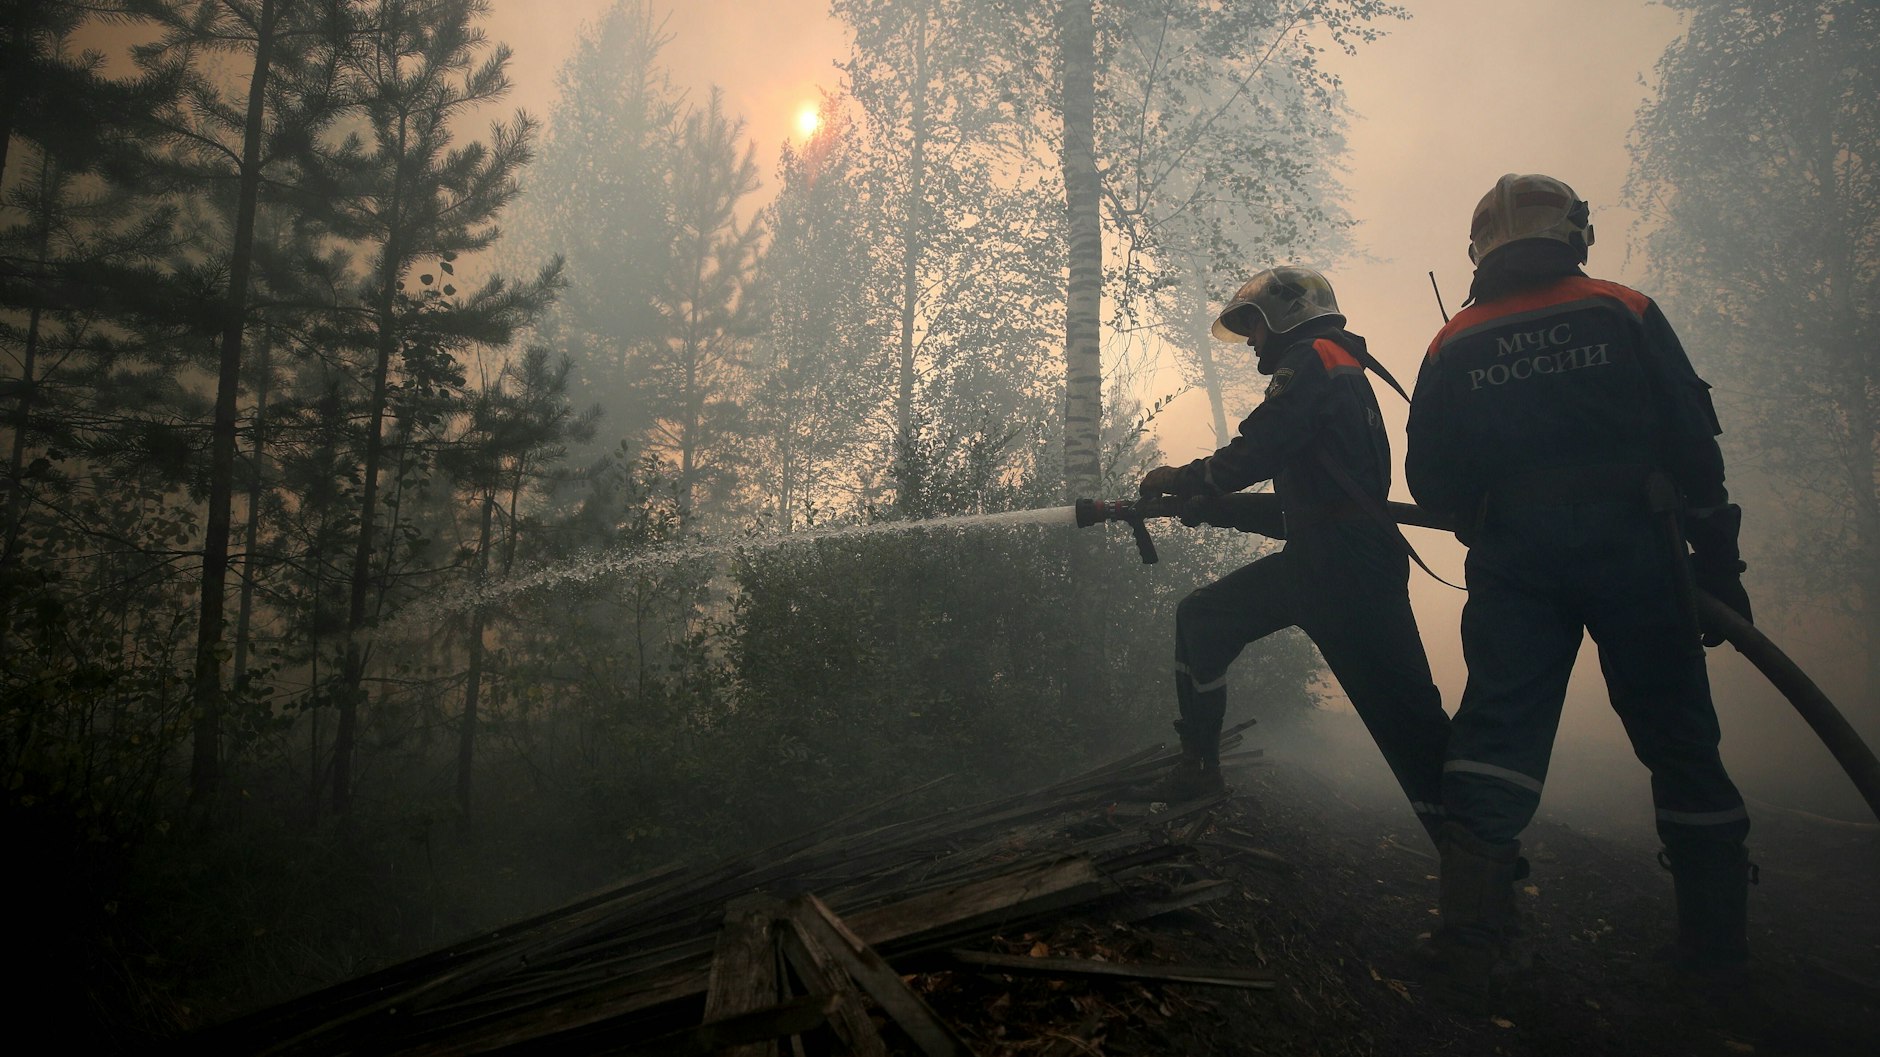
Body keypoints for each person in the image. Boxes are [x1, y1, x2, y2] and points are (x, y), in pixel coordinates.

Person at [1404, 173, 1756, 1008]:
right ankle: (1716, 956)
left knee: (1497, 730)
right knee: (1678, 738)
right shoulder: (1623, 309)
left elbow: (1428, 480)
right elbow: (1693, 446)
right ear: (1573, 233)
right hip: (1638, 544)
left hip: (1515, 560)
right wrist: (1720, 566)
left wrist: (1482, 513)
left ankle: (1472, 943)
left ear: (1479, 246)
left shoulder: (1453, 341)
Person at [1137, 266, 1451, 842]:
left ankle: (1478, 863)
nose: (1251, 340)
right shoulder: (1336, 363)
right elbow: (1313, 509)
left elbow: (1259, 451)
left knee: (1408, 723)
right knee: (1203, 618)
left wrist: (1188, 479)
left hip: (1346, 569)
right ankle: (1200, 768)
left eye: (1252, 325)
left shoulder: (1313, 361)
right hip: (1327, 558)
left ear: (1281, 316)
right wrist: (1211, 508)